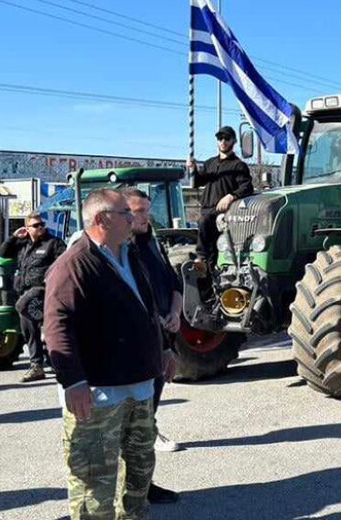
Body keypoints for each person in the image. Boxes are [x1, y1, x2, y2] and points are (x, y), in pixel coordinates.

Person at [45, 188, 167, 520]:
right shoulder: (74, 263)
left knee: (138, 473)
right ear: (101, 220)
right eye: (124, 214)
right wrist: (73, 382)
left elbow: (148, 310)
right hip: (98, 395)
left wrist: (163, 350)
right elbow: (57, 328)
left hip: (139, 387)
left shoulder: (131, 254)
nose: (133, 219)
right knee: (93, 486)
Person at [121, 187, 182, 504]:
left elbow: (174, 284)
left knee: (146, 421)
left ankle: (143, 484)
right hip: (136, 351)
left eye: (147, 210)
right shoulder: (119, 253)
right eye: (139, 211)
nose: (146, 216)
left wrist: (174, 314)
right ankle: (128, 490)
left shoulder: (152, 246)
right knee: (129, 426)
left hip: (159, 346)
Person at [0, 212, 66, 383]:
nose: (41, 228)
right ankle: (37, 364)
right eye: (36, 225)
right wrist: (14, 237)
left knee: (22, 306)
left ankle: (46, 334)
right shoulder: (22, 244)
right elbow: (3, 253)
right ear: (27, 228)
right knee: (28, 325)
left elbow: (63, 264)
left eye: (42, 224)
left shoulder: (53, 243)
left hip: (44, 290)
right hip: (25, 290)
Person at [185, 126, 254, 268]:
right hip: (206, 209)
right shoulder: (210, 163)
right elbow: (197, 182)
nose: (223, 141)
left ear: (234, 141)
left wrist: (231, 196)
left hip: (224, 215)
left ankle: (201, 257)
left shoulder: (238, 165)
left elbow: (247, 187)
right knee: (205, 228)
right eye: (220, 138)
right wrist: (192, 169)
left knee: (213, 245)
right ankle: (205, 272)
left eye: (227, 138)